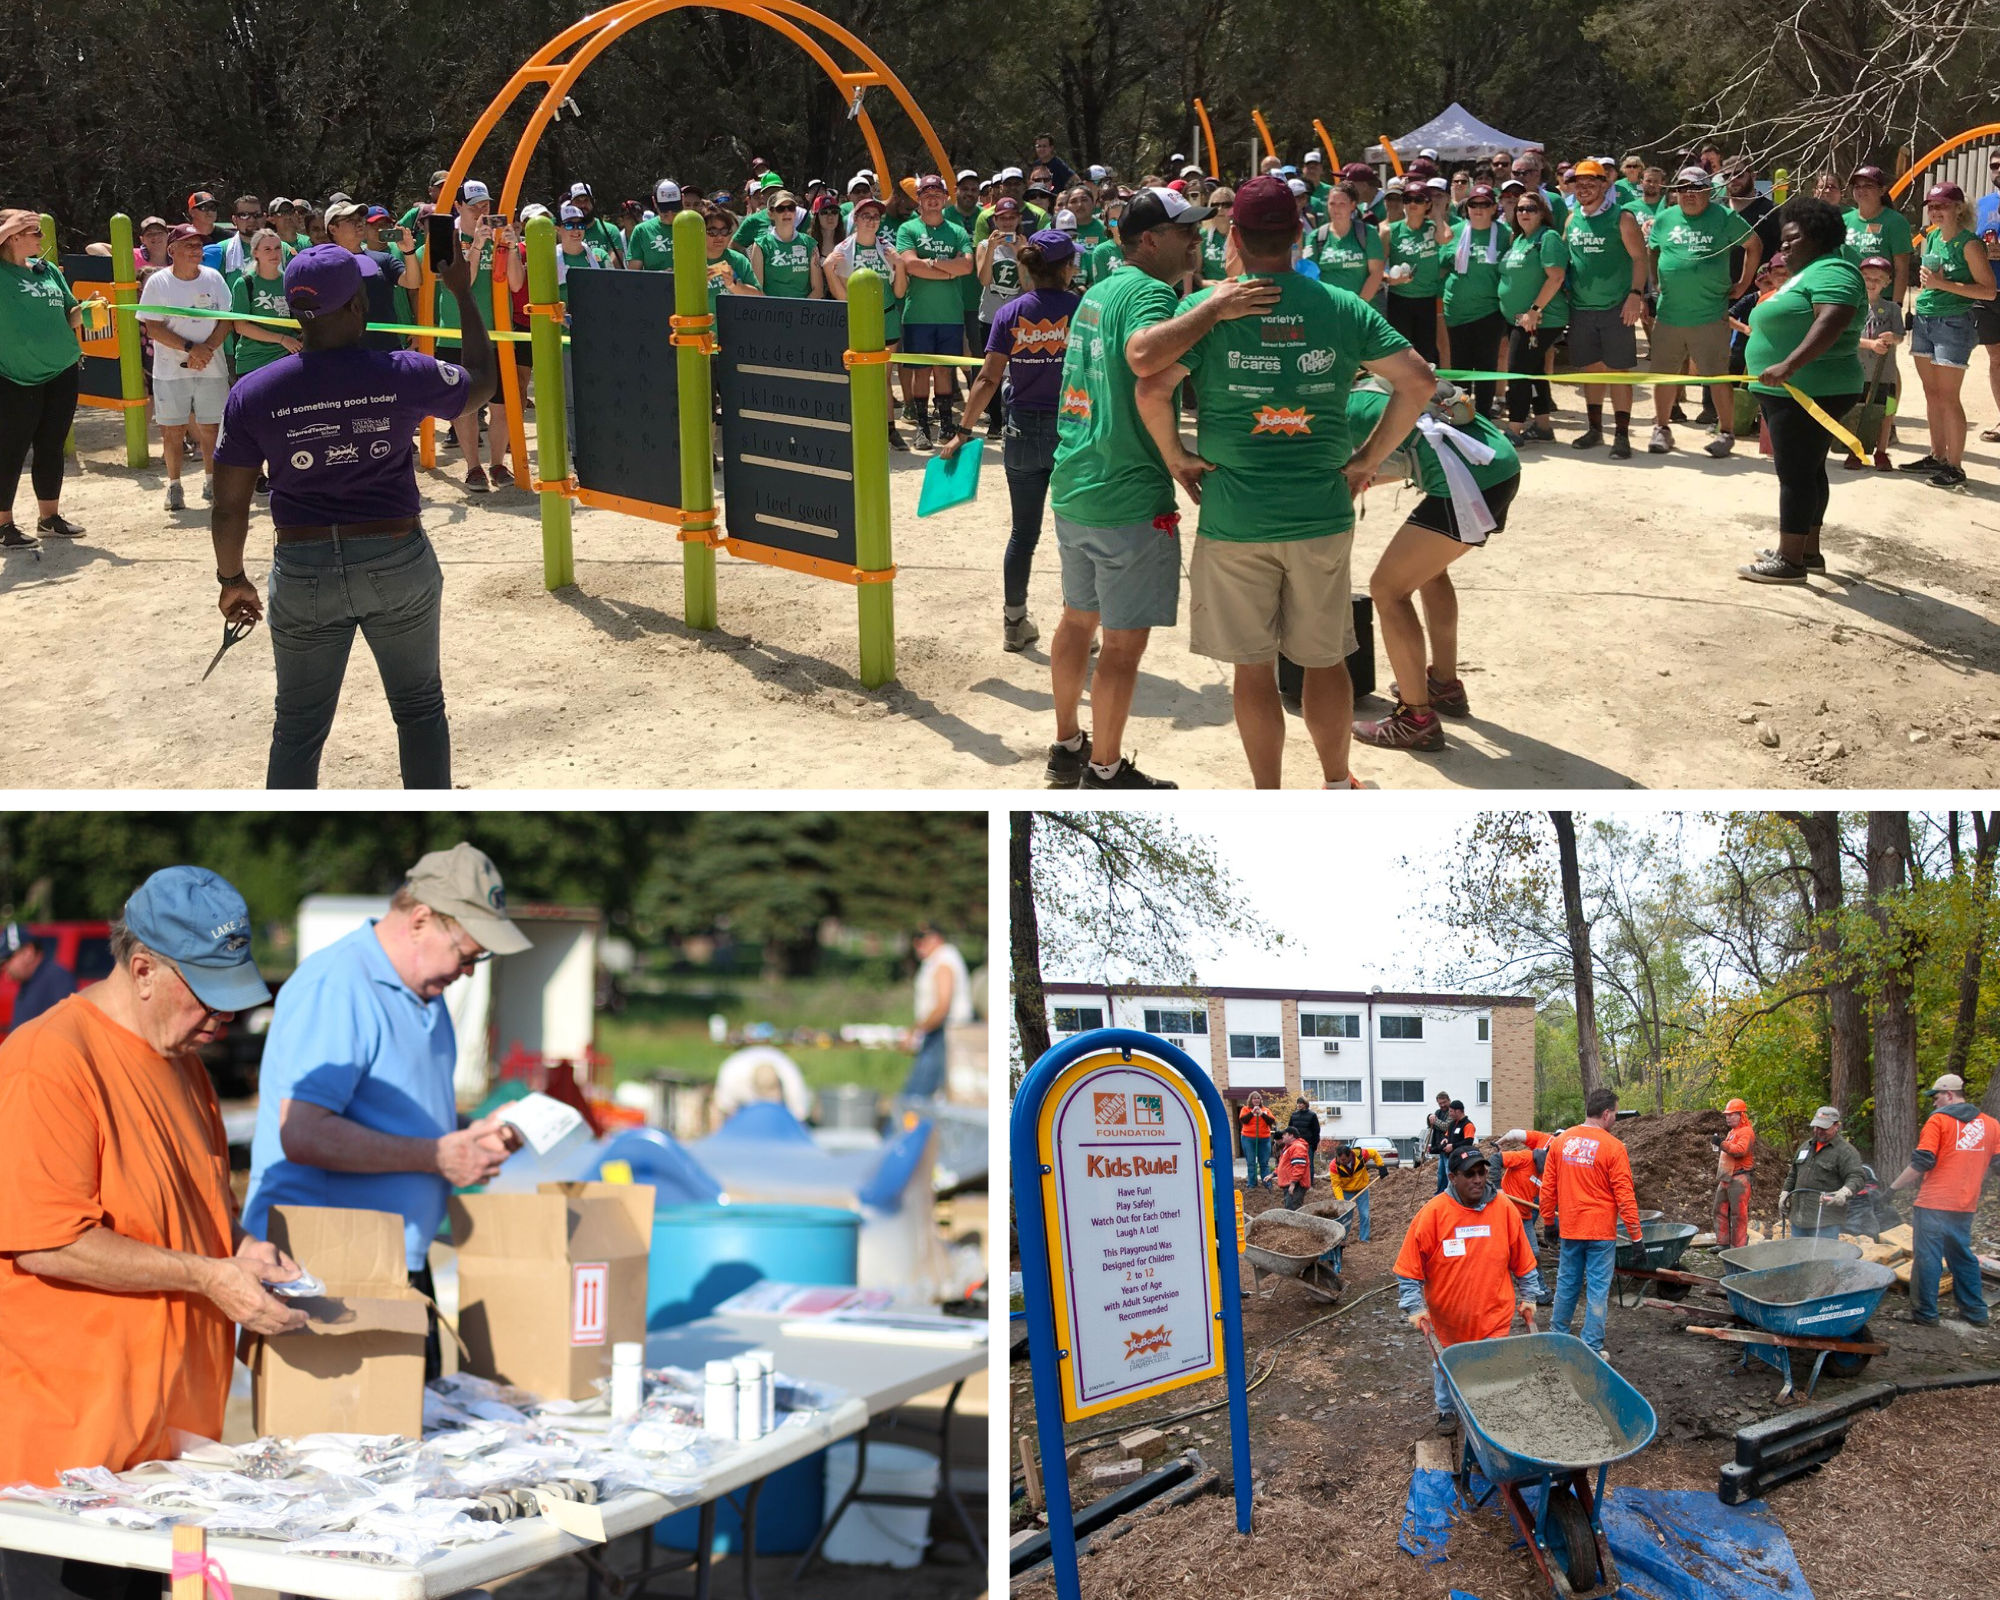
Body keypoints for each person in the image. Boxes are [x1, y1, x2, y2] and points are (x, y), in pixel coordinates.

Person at [0, 867, 309, 1521]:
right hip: (63, 1473)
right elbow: (50, 1243)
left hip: (170, 1462)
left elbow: (200, 1213)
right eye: (209, 995)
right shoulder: (48, 1061)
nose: (224, 1018)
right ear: (142, 970)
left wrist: (244, 1250)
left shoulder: (186, 1067)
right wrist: (207, 1276)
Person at [1138, 175, 1430, 790]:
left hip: (1233, 516)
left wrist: (1176, 457)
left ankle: (1268, 795)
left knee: (1252, 670)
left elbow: (1152, 384)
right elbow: (1419, 382)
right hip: (1320, 513)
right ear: (1300, 233)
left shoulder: (1212, 309)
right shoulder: (1341, 305)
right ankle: (1333, 783)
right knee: (1326, 662)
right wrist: (1368, 459)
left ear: (1235, 236)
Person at [208, 243, 497, 788]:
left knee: (297, 726)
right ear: (360, 304)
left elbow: (229, 505)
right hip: (395, 557)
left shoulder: (253, 393)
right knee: (419, 709)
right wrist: (461, 291)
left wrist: (232, 579)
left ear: (294, 311)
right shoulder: (403, 372)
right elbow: (481, 382)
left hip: (301, 566)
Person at [243, 844, 530, 1374]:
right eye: (468, 952)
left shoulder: (425, 993)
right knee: (341, 1453)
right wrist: (437, 1155)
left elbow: (401, 1119)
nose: (469, 971)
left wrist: (470, 1136)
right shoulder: (339, 985)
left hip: (392, 1264)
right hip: (327, 1273)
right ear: (421, 919)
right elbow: (303, 1132)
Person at [1046, 186, 1279, 790]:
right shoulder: (1150, 293)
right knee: (1122, 649)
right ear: (1149, 240)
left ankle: (1067, 744)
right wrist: (1215, 310)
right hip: (1126, 496)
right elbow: (1147, 355)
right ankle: (1105, 770)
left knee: (1077, 622)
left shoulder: (1097, 291)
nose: (1196, 238)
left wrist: (1204, 296)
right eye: (1185, 232)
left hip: (1075, 483)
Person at [1347, 371, 1521, 752]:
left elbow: (1342, 479)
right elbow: (1397, 458)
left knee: (1388, 590)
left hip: (1467, 484)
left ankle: (1416, 719)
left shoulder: (1343, 411)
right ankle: (1443, 686)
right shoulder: (1383, 382)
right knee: (1428, 570)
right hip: (1501, 468)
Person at [940, 229, 1081, 653]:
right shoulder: (1083, 311)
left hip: (1021, 430)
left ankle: (1014, 622)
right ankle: (1078, 628)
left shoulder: (1010, 314)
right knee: (1074, 534)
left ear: (1028, 267)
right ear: (1067, 268)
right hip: (1071, 431)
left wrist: (963, 432)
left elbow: (987, 378)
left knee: (1023, 534)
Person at [1735, 199, 1866, 583]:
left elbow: (1834, 318)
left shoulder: (1834, 271)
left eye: (1792, 240)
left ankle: (1789, 563)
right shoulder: (1809, 273)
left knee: (1794, 474)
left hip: (1809, 388)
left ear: (1817, 239)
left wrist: (1790, 364)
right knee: (1808, 470)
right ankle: (1806, 552)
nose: (1783, 248)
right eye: (1783, 240)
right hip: (1794, 388)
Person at [1396, 1145, 1541, 1435]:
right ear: (1452, 1177)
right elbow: (1409, 1272)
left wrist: (1529, 1297)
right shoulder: (1433, 1214)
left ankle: (1489, 1410)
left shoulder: (1503, 1209)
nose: (1478, 1180)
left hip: (1494, 1314)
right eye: (1469, 1174)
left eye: (1482, 1172)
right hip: (1449, 1318)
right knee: (1446, 1367)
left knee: (1492, 1367)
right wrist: (1415, 1308)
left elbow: (1524, 1262)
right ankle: (1447, 1409)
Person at [1648, 166, 1758, 457]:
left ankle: (1726, 432)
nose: (1689, 195)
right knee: (1663, 374)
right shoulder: (1664, 218)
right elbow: (1653, 250)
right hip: (1669, 313)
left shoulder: (1725, 218)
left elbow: (1754, 245)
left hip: (1709, 313)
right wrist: (1655, 282)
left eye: (1696, 188)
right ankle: (1662, 428)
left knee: (1716, 375)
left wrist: (1744, 283)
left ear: (1709, 191)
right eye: (1683, 188)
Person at [0, 209, 87, 549]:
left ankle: (49, 518)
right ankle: (4, 525)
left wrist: (88, 309)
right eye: (33, 232)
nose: (41, 239)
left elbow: (70, 312)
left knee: (52, 444)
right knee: (11, 449)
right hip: (16, 375)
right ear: (13, 237)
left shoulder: (47, 269)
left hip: (62, 368)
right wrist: (9, 223)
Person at [1903, 183, 1997, 489]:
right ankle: (1937, 455)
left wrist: (1943, 285)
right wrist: (1929, 282)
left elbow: (1988, 290)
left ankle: (1955, 467)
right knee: (1932, 394)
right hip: (1926, 316)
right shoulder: (1931, 236)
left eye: (1942, 205)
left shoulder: (1969, 244)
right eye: (1932, 206)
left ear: (1958, 207)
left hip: (1954, 321)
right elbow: (1933, 278)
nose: (1935, 211)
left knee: (1948, 396)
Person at [1889, 1073, 2000, 1326]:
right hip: (1965, 1205)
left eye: (1936, 1096)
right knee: (1962, 1257)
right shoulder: (1992, 1124)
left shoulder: (1938, 1121)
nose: (1933, 1103)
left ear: (1949, 1095)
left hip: (1933, 1203)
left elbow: (1922, 1162)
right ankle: (1976, 1313)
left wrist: (1892, 1190)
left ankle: (1925, 1314)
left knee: (1928, 1259)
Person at [137, 224, 232, 511]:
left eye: (198, 245)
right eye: (188, 245)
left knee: (210, 427)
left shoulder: (214, 279)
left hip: (210, 367)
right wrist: (191, 349)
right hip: (170, 369)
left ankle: (211, 481)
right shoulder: (158, 282)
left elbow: (226, 320)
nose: (196, 250)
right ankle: (174, 485)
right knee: (172, 430)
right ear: (172, 250)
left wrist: (206, 351)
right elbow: (153, 327)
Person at [1541, 1087, 1641, 1357]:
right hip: (1600, 1233)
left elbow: (1547, 1187)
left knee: (1567, 1282)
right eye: (1615, 1114)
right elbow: (1625, 1195)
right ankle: (1592, 1348)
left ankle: (1557, 1336)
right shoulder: (1613, 1147)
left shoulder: (1561, 1142)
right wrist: (1636, 1237)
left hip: (1571, 1229)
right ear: (1606, 1113)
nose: (1615, 1120)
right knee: (1597, 1289)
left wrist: (1549, 1222)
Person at [1561, 159, 1649, 457]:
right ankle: (1595, 429)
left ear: (1604, 184)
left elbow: (1640, 258)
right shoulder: (1571, 219)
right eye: (1578, 184)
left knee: (1618, 372)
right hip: (1582, 307)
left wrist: (1636, 295)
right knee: (1591, 370)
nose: (1584, 188)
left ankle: (1622, 435)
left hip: (1617, 306)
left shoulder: (1621, 218)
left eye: (1591, 183)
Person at [892, 175, 974, 447]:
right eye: (926, 193)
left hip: (950, 314)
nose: (932, 197)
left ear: (945, 197)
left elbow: (967, 267)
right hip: (918, 315)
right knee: (921, 372)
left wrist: (935, 264)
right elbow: (911, 265)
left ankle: (947, 424)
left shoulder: (957, 230)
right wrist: (949, 270)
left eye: (937, 192)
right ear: (919, 198)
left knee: (943, 371)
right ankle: (923, 427)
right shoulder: (909, 229)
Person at [825, 195, 908, 450]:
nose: (872, 221)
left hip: (887, 317)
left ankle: (889, 430)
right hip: (859, 321)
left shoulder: (887, 249)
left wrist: (901, 265)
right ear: (856, 219)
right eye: (866, 216)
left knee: (883, 377)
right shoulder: (843, 251)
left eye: (876, 216)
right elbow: (843, 297)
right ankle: (860, 429)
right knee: (859, 377)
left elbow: (899, 292)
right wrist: (828, 269)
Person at [1498, 189, 1567, 443]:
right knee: (1534, 371)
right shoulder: (1518, 239)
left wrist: (1534, 311)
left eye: (1531, 208)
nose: (1524, 213)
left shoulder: (1547, 238)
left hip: (1539, 320)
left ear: (1543, 213)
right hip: (1517, 320)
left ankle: (1514, 430)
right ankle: (1543, 425)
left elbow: (1556, 277)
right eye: (1520, 209)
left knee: (1517, 372)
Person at [1441, 185, 1511, 417]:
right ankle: (1463, 414)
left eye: (1484, 204)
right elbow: (1442, 263)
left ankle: (1482, 413)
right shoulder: (1456, 230)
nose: (1478, 209)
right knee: (1460, 366)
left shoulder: (1505, 234)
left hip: (1490, 310)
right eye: (1474, 204)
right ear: (1466, 208)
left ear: (1493, 208)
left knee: (1486, 365)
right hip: (1457, 309)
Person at [971, 197, 1029, 439]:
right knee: (990, 370)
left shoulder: (1026, 245)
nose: (1007, 223)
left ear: (1018, 219)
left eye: (1011, 217)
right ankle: (995, 420)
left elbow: (1028, 285)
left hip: (1018, 317)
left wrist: (1020, 254)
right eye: (1002, 218)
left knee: (1017, 370)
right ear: (995, 220)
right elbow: (984, 280)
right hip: (991, 317)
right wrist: (993, 249)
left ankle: (1013, 417)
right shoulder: (984, 245)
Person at [1378, 179, 1453, 362]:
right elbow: (1378, 268)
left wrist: (1435, 214)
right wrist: (1389, 279)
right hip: (1399, 300)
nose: (1412, 204)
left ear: (1427, 203)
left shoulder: (1434, 228)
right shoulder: (1390, 230)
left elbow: (1445, 238)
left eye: (1418, 200)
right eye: (1407, 199)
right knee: (1402, 352)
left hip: (1427, 299)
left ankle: (1427, 390)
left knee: (1427, 353)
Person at [900, 923, 971, 1100]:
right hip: (938, 1032)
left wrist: (915, 1031)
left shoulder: (944, 962)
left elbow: (942, 1007)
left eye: (921, 940)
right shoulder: (937, 960)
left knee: (916, 1095)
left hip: (943, 1033)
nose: (916, 945)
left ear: (935, 938)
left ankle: (902, 1127)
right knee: (930, 1095)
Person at [1847, 254, 1902, 471]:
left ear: (1887, 282)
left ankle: (1881, 451)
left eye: (1878, 279)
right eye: (1867, 277)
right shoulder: (1851, 307)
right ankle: (1854, 450)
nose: (1871, 282)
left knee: (1885, 412)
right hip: (1857, 371)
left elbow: (1900, 336)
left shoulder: (1892, 309)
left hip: (1884, 372)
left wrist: (1892, 338)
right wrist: (1870, 345)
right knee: (1855, 409)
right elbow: (1845, 336)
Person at [1779, 1106, 1866, 1239]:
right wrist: (1785, 1193)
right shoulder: (1805, 1147)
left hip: (1826, 1221)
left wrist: (1845, 1191)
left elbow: (1857, 1176)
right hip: (1799, 1218)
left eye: (1824, 1128)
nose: (1819, 1131)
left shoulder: (1845, 1152)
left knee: (1823, 1259)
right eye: (1816, 1127)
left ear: (1836, 1126)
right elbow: (1793, 1174)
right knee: (1798, 1257)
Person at [227, 228, 300, 383]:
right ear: (255, 253)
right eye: (267, 249)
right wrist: (281, 339)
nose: (274, 253)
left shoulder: (289, 282)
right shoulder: (245, 283)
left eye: (277, 248)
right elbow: (240, 326)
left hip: (285, 356)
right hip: (253, 359)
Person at [1841, 166, 1912, 302]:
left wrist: (1895, 307)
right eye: (1857, 186)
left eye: (1868, 186)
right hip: (1849, 298)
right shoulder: (1844, 220)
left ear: (1882, 190)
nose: (1862, 190)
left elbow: (1901, 270)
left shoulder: (1896, 222)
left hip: (1881, 300)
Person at [1305, 182, 1385, 301]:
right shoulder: (1316, 237)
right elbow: (1308, 277)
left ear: (1352, 205)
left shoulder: (1368, 233)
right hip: (1329, 308)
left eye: (1342, 204)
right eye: (1332, 203)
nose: (1336, 208)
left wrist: (1357, 307)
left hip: (1362, 309)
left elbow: (1376, 273)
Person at [748, 191, 823, 298]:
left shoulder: (810, 244)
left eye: (791, 207)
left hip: (804, 311)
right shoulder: (761, 245)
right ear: (770, 214)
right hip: (772, 310)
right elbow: (758, 289)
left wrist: (799, 311)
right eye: (780, 209)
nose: (786, 212)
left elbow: (818, 290)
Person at [1, 923, 73, 1027]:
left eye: (8, 958)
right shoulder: (28, 983)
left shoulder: (57, 978)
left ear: (28, 952)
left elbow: (69, 1027)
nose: (5, 966)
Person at [1711, 1096, 1755, 1249]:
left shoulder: (1746, 1132)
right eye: (1726, 1115)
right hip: (1727, 1176)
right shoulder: (1732, 1132)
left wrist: (1722, 1144)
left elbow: (1741, 1151)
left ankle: (1738, 1248)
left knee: (1738, 1215)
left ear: (1741, 1115)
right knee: (1719, 1209)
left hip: (1740, 1178)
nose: (1727, 1117)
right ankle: (1722, 1243)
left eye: (1731, 1114)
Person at [1328, 1137, 1383, 1240]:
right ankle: (1342, 1240)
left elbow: (1374, 1153)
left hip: (1361, 1189)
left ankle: (1364, 1239)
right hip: (1346, 1191)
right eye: (1339, 1159)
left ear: (1350, 1156)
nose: (1341, 1161)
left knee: (1365, 1214)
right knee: (1344, 1217)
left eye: (1343, 1159)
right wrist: (1341, 1201)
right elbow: (1336, 1185)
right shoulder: (1334, 1165)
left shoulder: (1361, 1155)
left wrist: (1381, 1166)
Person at [563, 182, 624, 267]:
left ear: (593, 201)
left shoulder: (610, 230)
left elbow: (615, 265)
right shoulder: (566, 232)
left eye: (586, 200)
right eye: (578, 201)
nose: (582, 205)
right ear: (571, 203)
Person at [1239, 1092, 1277, 1189]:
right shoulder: (1245, 1109)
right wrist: (1252, 1113)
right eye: (1254, 1098)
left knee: (1264, 1162)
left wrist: (1261, 1113)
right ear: (1250, 1100)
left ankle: (1266, 1182)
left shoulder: (1266, 1110)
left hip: (1264, 1138)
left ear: (1260, 1100)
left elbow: (1271, 1121)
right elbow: (1243, 1120)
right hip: (1248, 1138)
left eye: (1258, 1098)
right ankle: (1252, 1183)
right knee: (1251, 1162)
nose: (1256, 1100)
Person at [1286, 1095, 1322, 1181]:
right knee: (1295, 1162)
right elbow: (1290, 1128)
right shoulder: (1294, 1115)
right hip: (1295, 1144)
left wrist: (1314, 1144)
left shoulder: (1312, 1115)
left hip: (1308, 1143)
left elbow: (1316, 1130)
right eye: (1298, 1103)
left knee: (1309, 1164)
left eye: (1301, 1103)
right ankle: (1296, 1181)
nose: (1299, 1105)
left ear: (1305, 1104)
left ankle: (1309, 1182)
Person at [1274, 1128, 1312, 1209]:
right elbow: (1284, 1165)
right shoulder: (1288, 1147)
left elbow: (1299, 1166)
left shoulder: (1297, 1147)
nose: (1282, 1136)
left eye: (1285, 1134)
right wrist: (1273, 1174)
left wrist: (1293, 1183)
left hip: (1297, 1185)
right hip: (1291, 1184)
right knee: (1290, 1209)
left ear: (1291, 1136)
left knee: (1293, 1210)